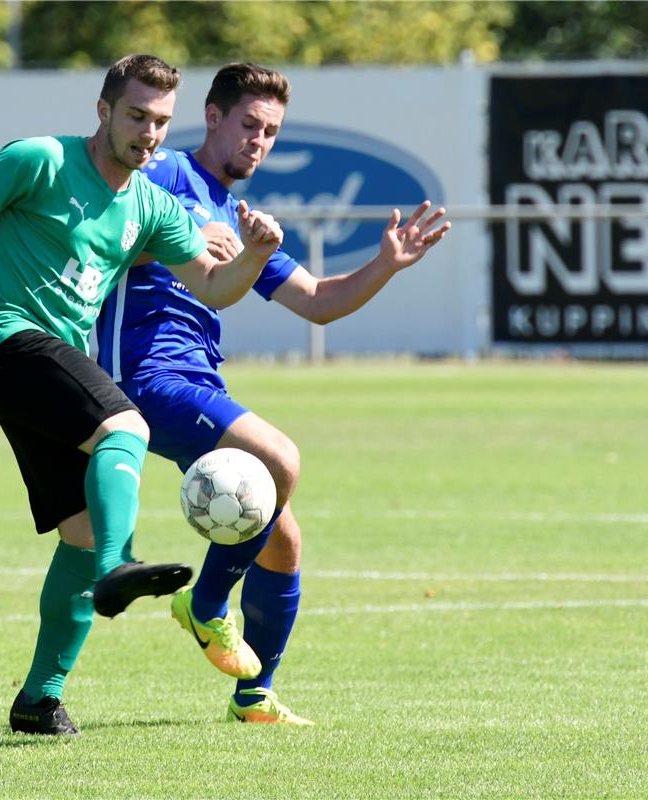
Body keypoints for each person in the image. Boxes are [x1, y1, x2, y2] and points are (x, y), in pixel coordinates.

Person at [0, 54, 284, 736]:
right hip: (3, 338)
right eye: (136, 115)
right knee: (127, 429)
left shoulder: (152, 203)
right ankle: (121, 565)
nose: (149, 133)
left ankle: (38, 700)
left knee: (78, 536)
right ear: (104, 111)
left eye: (161, 122)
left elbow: (212, 285)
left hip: (47, 364)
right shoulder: (41, 160)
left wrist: (252, 257)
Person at [96, 63, 450, 725]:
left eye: (271, 131)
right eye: (249, 125)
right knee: (281, 460)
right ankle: (203, 606)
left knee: (281, 539)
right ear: (213, 117)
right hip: (143, 377)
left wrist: (385, 263)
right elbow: (102, 234)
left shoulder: (237, 211)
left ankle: (254, 695)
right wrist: (180, 240)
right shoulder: (166, 174)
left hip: (198, 381)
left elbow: (317, 301)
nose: (259, 141)